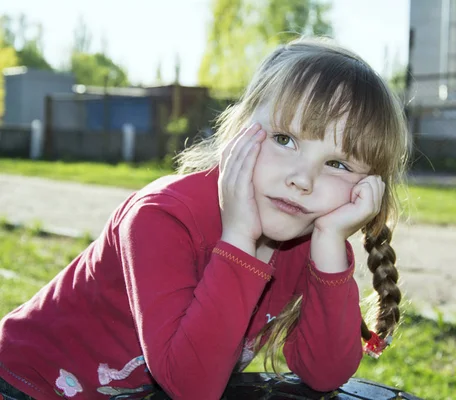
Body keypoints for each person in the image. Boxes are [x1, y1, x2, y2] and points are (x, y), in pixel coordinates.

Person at [0, 37, 410, 400]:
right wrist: (238, 238)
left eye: (337, 163)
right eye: (285, 140)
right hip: (19, 384)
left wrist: (328, 244)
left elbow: (325, 373)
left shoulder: (306, 235)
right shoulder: (162, 218)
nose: (302, 179)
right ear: (238, 130)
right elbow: (191, 388)